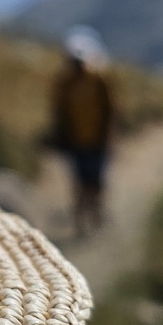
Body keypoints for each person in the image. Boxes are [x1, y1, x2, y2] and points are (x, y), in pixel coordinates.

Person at [49, 28, 116, 237]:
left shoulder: (98, 80)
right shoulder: (65, 84)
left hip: (97, 140)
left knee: (95, 181)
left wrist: (110, 136)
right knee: (79, 182)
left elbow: (110, 110)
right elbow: (59, 112)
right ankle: (81, 223)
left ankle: (95, 215)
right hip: (76, 142)